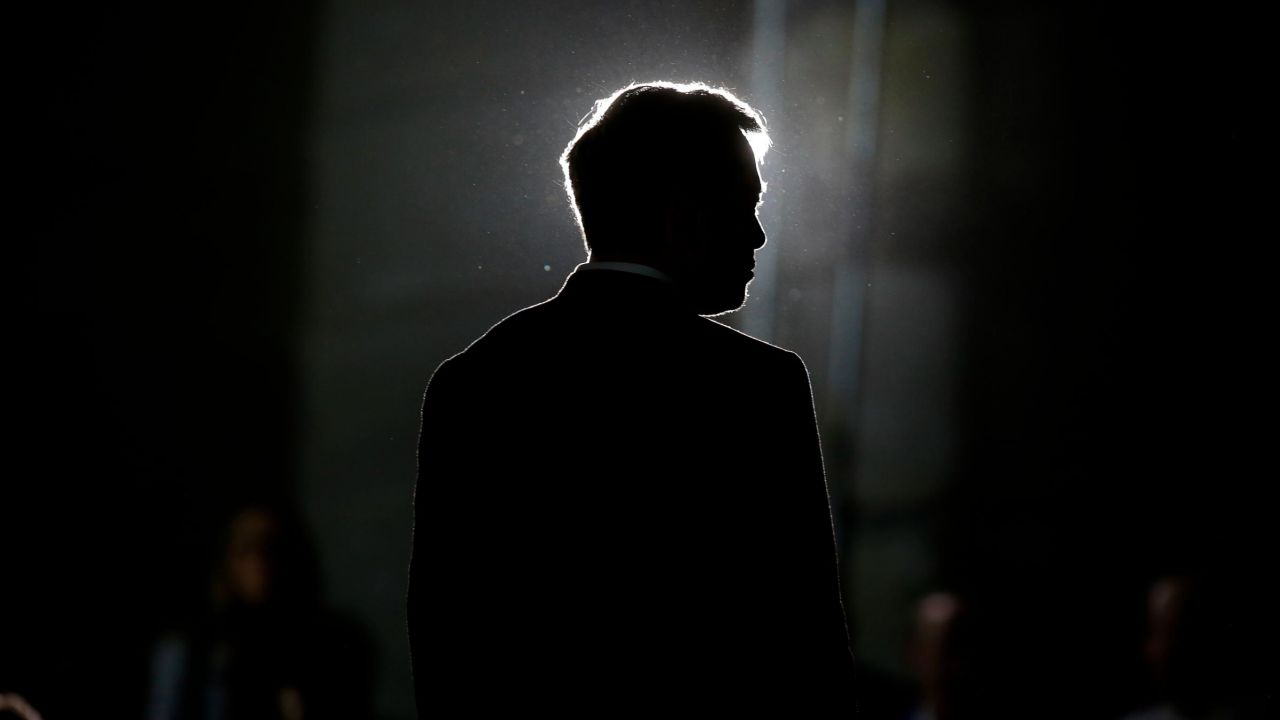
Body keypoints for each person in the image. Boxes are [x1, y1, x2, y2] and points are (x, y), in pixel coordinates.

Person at [407, 81, 853, 712]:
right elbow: (805, 639)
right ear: (682, 212)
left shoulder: (472, 381)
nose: (756, 236)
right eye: (744, 205)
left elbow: (445, 637)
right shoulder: (756, 386)